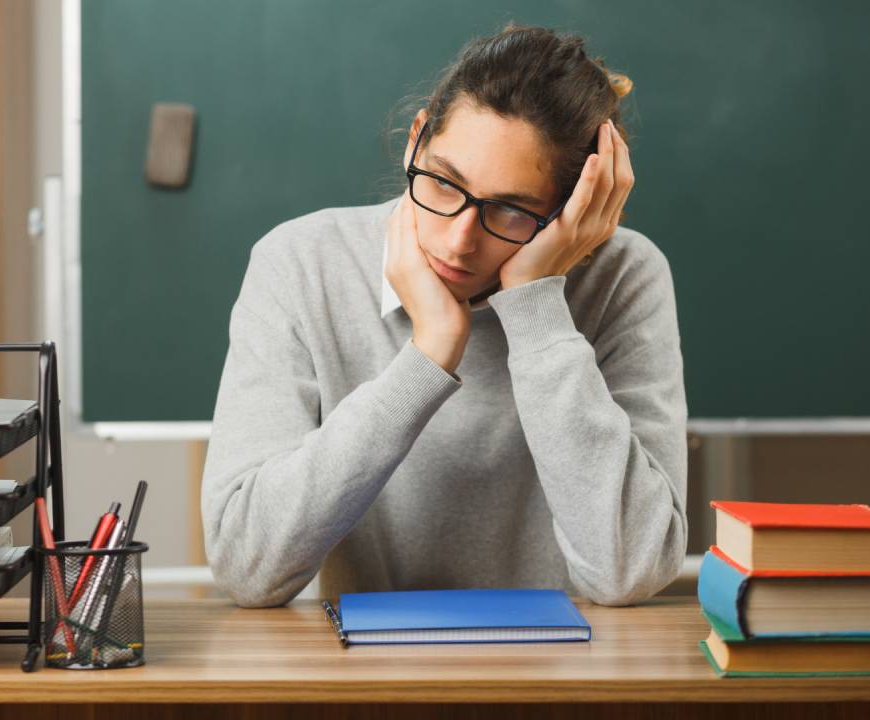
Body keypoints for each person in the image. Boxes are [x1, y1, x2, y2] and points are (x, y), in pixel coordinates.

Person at [201, 24, 687, 608]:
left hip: (564, 682)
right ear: (415, 142)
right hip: (364, 685)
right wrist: (428, 356)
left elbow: (630, 568)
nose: (458, 241)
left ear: (571, 211)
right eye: (443, 182)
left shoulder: (624, 277)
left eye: (509, 211)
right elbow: (245, 564)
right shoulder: (301, 263)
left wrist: (535, 302)